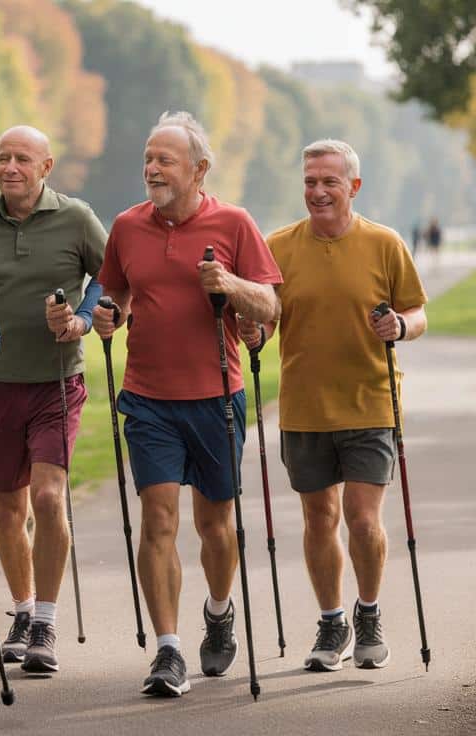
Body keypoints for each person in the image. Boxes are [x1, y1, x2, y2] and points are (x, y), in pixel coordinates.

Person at [89, 111, 281, 696]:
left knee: (216, 524)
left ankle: (219, 614)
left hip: (216, 396)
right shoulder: (126, 226)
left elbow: (270, 306)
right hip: (147, 398)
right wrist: (105, 313)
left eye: (164, 160)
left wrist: (229, 285)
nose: (151, 168)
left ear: (198, 170)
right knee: (159, 520)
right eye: (148, 158)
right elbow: (115, 290)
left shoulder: (235, 222)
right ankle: (168, 651)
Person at [249, 139, 428, 673]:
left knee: (362, 518)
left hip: (371, 401)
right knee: (318, 517)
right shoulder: (277, 246)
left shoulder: (384, 243)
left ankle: (368, 613)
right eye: (310, 181)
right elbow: (264, 319)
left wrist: (400, 326)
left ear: (353, 186)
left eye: (329, 181)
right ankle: (332, 623)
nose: (318, 191)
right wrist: (255, 334)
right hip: (303, 407)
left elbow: (416, 311)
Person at [0, 125, 107, 674]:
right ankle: (20, 610)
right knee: (7, 505)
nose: (10, 167)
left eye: (22, 158)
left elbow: (110, 277)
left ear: (46, 166)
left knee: (46, 497)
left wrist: (84, 319)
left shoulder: (76, 218)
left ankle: (44, 620)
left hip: (56, 380)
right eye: (2, 158)